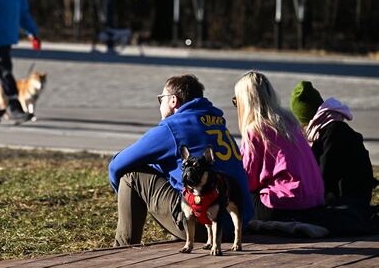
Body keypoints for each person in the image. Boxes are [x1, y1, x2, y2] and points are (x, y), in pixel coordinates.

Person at [108, 74, 253, 247]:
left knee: (131, 176)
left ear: (172, 101)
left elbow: (117, 165)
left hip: (205, 223)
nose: (159, 104)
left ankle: (123, 249)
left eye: (161, 99)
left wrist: (122, 195)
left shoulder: (172, 127)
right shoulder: (217, 123)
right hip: (239, 221)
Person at [233, 71, 325, 223]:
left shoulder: (255, 129)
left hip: (285, 203)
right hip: (314, 199)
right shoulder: (290, 122)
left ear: (245, 101)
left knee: (236, 199)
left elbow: (248, 181)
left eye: (236, 101)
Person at [290, 81, 378, 207]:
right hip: (348, 196)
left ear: (306, 119)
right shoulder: (329, 127)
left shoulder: (332, 133)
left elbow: (322, 178)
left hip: (349, 201)